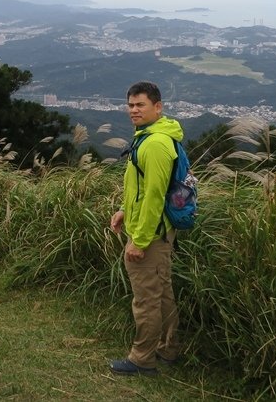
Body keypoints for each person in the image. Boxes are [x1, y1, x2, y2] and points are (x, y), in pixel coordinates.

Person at [109, 81, 182, 376]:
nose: (134, 110)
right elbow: (142, 189)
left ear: (158, 107)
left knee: (146, 300)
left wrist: (139, 240)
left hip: (150, 236)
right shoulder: (150, 137)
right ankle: (169, 348)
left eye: (140, 105)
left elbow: (154, 197)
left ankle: (142, 358)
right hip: (157, 232)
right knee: (162, 294)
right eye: (130, 105)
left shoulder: (154, 144)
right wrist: (125, 210)